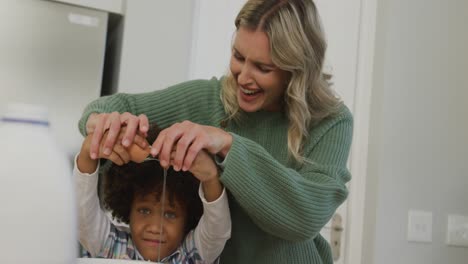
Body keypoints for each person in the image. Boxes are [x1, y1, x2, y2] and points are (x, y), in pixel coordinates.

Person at [78, 0, 353, 263]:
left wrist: (228, 144)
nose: (243, 77)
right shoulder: (211, 99)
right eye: (238, 56)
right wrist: (108, 127)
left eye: (262, 67)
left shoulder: (330, 121)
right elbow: (109, 107)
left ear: (297, 69)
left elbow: (304, 216)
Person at [75, 125, 231, 263]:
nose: (156, 228)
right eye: (144, 211)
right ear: (128, 209)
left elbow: (217, 230)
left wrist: (210, 178)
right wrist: (89, 151)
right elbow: (82, 215)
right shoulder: (111, 246)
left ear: (188, 218)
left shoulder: (193, 254)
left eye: (170, 214)